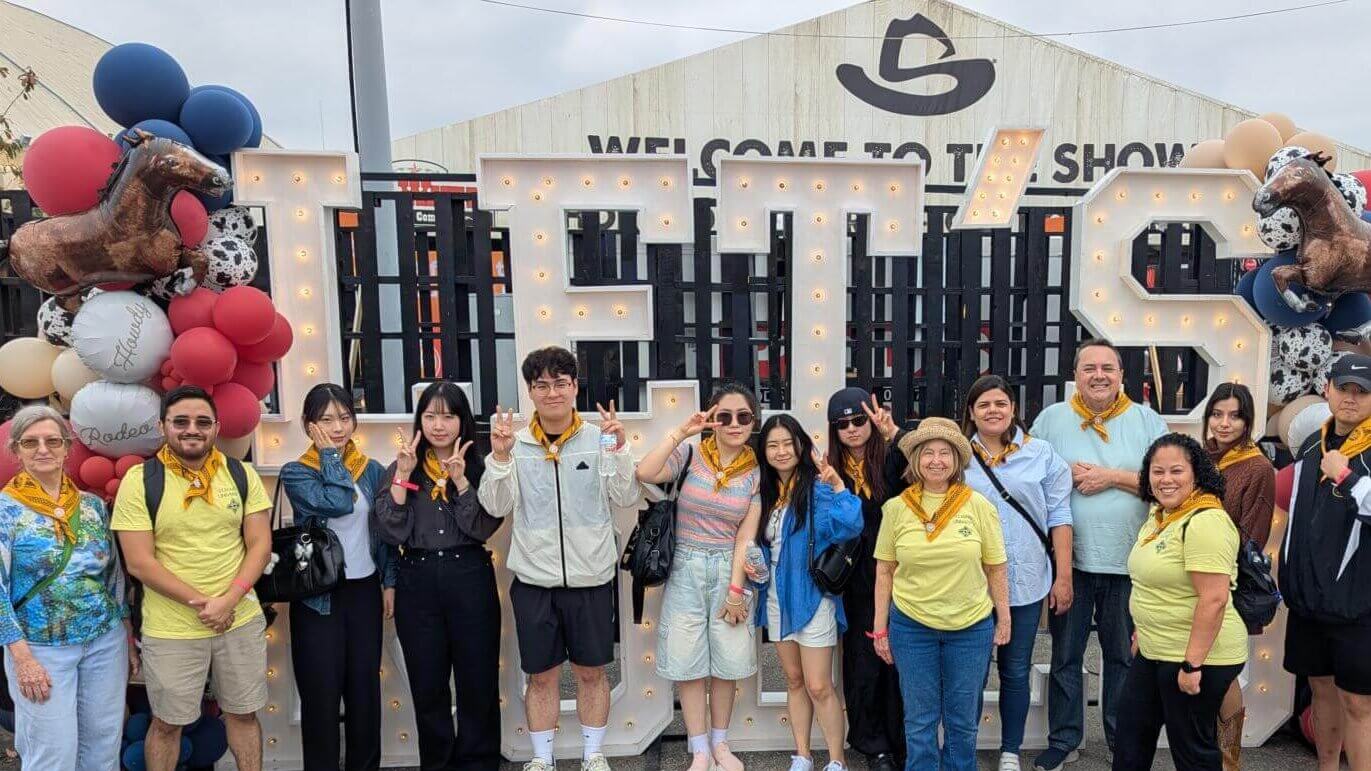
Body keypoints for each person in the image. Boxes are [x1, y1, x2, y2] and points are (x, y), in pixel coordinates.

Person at [479, 346, 641, 771]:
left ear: (574, 388)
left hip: (590, 578)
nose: (552, 393)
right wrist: (497, 458)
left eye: (560, 383)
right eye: (541, 385)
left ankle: (593, 754)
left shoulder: (598, 437)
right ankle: (542, 760)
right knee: (542, 676)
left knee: (592, 673)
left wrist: (621, 450)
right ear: (531, 392)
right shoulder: (515, 444)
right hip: (534, 580)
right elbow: (496, 506)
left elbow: (625, 495)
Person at [113, 386, 273, 771]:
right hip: (172, 628)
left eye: (202, 422)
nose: (192, 429)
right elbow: (140, 563)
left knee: (244, 715)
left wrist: (229, 600)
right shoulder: (140, 480)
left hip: (238, 619)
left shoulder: (241, 474)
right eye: (180, 421)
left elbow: (259, 545)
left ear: (216, 427)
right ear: (163, 426)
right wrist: (206, 604)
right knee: (167, 724)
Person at [1029, 339, 1168, 770]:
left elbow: (1167, 481)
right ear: (1076, 374)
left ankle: (1120, 740)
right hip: (1071, 563)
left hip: (1130, 563)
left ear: (1123, 375)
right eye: (1089, 367)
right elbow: (1028, 474)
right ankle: (1065, 738)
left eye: (1108, 367)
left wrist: (1111, 477)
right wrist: (1060, 474)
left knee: (1123, 658)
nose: (1099, 375)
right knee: (1065, 656)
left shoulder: (1147, 421)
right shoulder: (1052, 419)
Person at [373, 380, 504, 771]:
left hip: (469, 574)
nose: (439, 425)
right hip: (418, 577)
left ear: (463, 421)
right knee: (427, 682)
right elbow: (390, 530)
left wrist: (461, 480)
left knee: (477, 680)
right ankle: (438, 763)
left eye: (448, 415)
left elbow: (482, 526)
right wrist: (402, 476)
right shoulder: (404, 466)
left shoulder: (483, 467)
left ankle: (478, 762)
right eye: (430, 415)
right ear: (420, 420)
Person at [635, 382, 763, 771]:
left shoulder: (756, 472)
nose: (734, 424)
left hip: (729, 566)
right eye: (724, 416)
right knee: (689, 662)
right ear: (712, 418)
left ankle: (721, 742)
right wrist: (682, 431)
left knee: (727, 660)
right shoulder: (691, 455)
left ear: (753, 421)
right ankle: (699, 747)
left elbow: (746, 534)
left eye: (743, 416)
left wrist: (737, 590)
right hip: (686, 566)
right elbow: (645, 470)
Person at [0, 405, 136, 771]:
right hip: (41, 650)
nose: (42, 449)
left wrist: (125, 631)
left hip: (104, 643)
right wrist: (22, 659)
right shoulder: (5, 511)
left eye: (52, 441)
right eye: (31, 442)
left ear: (66, 448)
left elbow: (112, 575)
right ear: (16, 451)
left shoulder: (92, 507)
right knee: (52, 754)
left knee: (102, 746)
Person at [872, 417, 1011, 771]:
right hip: (911, 627)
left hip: (970, 627)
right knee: (919, 722)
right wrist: (881, 628)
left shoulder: (978, 506)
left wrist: (1004, 618)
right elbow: (884, 570)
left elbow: (995, 567)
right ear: (915, 460)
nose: (936, 460)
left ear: (956, 461)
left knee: (962, 722)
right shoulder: (897, 508)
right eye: (928, 453)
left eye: (945, 453)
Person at [280, 383, 398, 771]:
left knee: (364, 692)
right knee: (321, 696)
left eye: (345, 417)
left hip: (363, 591)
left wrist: (389, 581)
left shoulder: (373, 470)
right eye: (326, 419)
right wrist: (330, 456)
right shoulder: (297, 472)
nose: (338, 427)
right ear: (308, 424)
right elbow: (336, 501)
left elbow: (383, 532)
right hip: (318, 598)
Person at [1114, 432, 1248, 771]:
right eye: (1157, 471)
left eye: (1176, 471)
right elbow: (1155, 583)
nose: (1166, 480)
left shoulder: (1206, 520)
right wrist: (1143, 631)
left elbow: (1214, 599)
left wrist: (1192, 666)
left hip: (1196, 657)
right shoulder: (1161, 515)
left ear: (1196, 473)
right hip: (1156, 649)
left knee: (1191, 751)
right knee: (1131, 735)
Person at [961, 376, 1075, 771]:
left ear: (1012, 408)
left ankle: (1010, 750)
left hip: (1026, 582)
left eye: (1000, 403)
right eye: (983, 405)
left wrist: (1063, 577)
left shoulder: (1041, 453)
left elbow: (1060, 516)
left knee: (1015, 669)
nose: (992, 410)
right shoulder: (958, 457)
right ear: (971, 413)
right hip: (971, 584)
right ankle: (964, 749)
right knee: (970, 673)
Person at [751, 414, 863, 771]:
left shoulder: (817, 488)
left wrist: (838, 485)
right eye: (773, 445)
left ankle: (836, 759)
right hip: (775, 599)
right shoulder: (766, 493)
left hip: (814, 599)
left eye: (788, 443)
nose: (781, 451)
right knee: (795, 680)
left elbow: (852, 525)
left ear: (800, 446)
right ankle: (802, 754)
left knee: (819, 685)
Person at [1282, 353, 1371, 771]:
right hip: (1309, 602)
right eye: (1344, 388)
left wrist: (1348, 477)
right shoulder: (1311, 446)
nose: (1351, 399)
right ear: (1327, 390)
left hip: (1358, 605)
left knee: (1358, 702)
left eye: (1362, 391)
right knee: (1321, 691)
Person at [825, 388, 908, 771]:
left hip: (900, 571)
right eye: (843, 424)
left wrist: (893, 433)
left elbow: (929, 466)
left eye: (859, 420)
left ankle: (903, 741)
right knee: (862, 661)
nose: (853, 429)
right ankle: (873, 744)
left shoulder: (892, 458)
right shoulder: (828, 469)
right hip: (855, 577)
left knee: (901, 660)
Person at [1201, 382, 1275, 770]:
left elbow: (1253, 538)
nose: (1224, 423)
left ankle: (1230, 761)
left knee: (1224, 674)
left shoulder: (1258, 466)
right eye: (1217, 414)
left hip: (1228, 582)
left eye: (1234, 415)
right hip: (1190, 580)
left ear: (1248, 420)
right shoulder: (1202, 457)